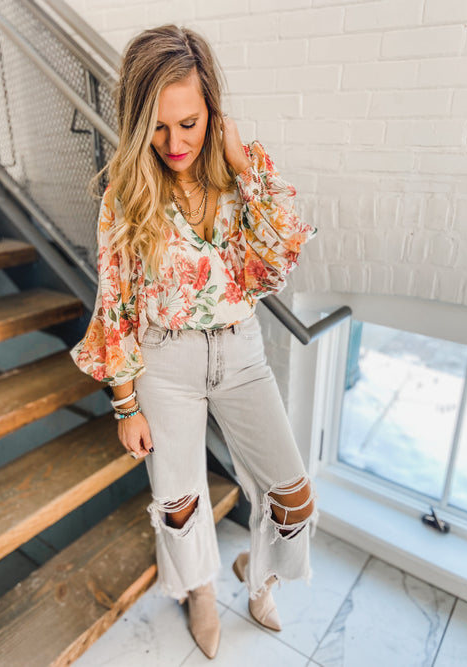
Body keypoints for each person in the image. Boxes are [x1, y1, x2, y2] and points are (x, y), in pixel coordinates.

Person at [70, 23, 319, 661]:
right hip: (165, 361)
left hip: (241, 354)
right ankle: (200, 592)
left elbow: (277, 261)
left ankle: (257, 577)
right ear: (136, 121)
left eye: (189, 122)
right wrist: (126, 406)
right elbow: (117, 305)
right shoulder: (124, 197)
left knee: (293, 495)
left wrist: (244, 167)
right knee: (180, 503)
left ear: (211, 106)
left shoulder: (240, 176)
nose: (175, 142)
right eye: (158, 126)